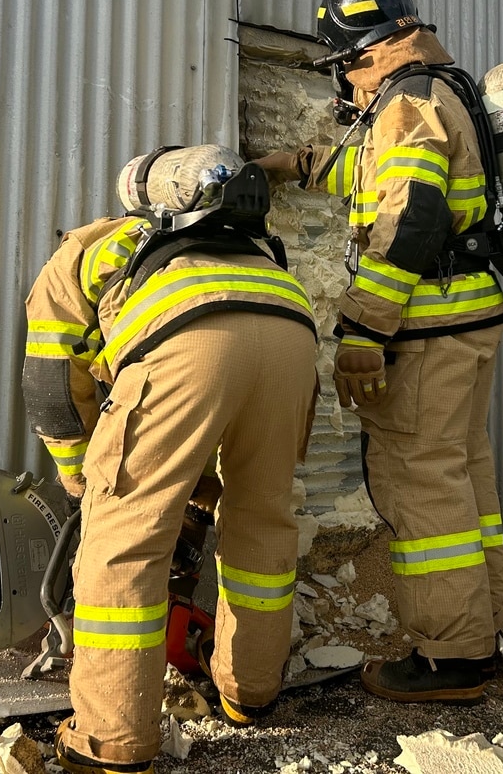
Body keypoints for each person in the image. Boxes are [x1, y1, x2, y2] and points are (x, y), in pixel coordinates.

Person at [22, 146, 319, 774]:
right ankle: (249, 693)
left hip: (191, 341)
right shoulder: (252, 247)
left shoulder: (96, 246)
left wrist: (79, 475)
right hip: (292, 333)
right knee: (261, 518)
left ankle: (110, 740)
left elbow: (51, 380)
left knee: (125, 538)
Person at [257, 0, 503, 703]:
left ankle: (452, 659)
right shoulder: (434, 93)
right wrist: (285, 166)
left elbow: (413, 220)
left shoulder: (406, 108)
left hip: (425, 331)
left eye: (343, 69)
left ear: (365, 53)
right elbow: (364, 175)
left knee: (419, 487)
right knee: (462, 477)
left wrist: (364, 330)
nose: (345, 87)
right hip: (465, 320)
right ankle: (481, 630)